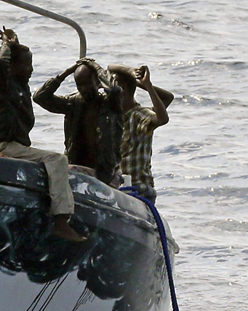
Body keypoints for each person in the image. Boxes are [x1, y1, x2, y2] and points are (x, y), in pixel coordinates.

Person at [0, 28, 85, 242]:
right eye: (27, 64)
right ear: (13, 66)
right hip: (1, 145)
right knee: (57, 160)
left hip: (15, 146)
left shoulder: (19, 87)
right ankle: (60, 221)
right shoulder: (1, 86)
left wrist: (16, 44)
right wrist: (7, 46)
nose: (31, 69)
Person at [33, 57, 124, 185]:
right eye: (79, 84)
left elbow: (113, 89)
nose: (84, 88)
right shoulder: (72, 103)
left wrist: (96, 67)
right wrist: (67, 72)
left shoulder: (110, 104)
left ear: (98, 82)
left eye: (87, 83)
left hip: (105, 171)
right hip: (78, 166)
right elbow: (39, 97)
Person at [108, 64, 174, 202]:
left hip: (138, 188)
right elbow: (110, 66)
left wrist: (147, 85)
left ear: (123, 89)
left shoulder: (140, 115)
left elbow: (162, 118)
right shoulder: (115, 116)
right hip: (117, 185)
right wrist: (131, 73)